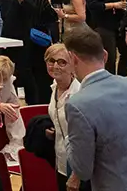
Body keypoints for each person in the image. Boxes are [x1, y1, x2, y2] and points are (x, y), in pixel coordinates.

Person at [63, 24, 127, 191]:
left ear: (73, 59)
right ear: (105, 55)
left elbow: (82, 170)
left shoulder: (77, 104)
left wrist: (66, 137)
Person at [44, 43, 82, 189]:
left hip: (77, 166)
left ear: (73, 66)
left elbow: (85, 138)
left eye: (62, 62)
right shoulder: (54, 88)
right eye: (51, 61)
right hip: (60, 161)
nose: (55, 66)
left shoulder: (78, 94)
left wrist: (76, 175)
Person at [82, 0, 126, 74]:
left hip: (117, 24)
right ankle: (109, 81)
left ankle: (120, 79)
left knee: (125, 54)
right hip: (102, 25)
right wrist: (113, 5)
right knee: (109, 57)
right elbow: (92, 5)